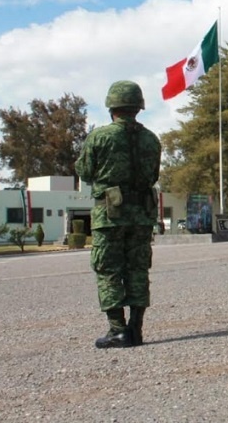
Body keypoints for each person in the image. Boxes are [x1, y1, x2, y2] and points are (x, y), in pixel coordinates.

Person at [75, 80, 162, 349]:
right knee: (138, 269)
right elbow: (153, 175)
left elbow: (85, 171)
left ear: (112, 107)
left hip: (110, 214)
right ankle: (136, 329)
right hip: (141, 215)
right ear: (138, 107)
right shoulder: (151, 139)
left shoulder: (100, 137)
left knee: (109, 269)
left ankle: (117, 330)